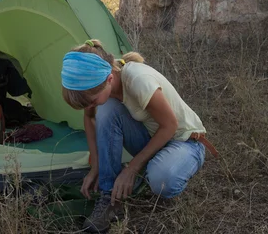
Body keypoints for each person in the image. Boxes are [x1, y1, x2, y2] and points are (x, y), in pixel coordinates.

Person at [61, 39, 217, 233]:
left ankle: (155, 171)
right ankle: (110, 198)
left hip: (184, 142)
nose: (89, 107)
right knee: (106, 108)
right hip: (151, 138)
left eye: (91, 101)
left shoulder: (137, 79)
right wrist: (96, 166)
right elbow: (90, 118)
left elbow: (170, 126)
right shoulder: (101, 82)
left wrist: (132, 169)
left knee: (162, 180)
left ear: (110, 80)